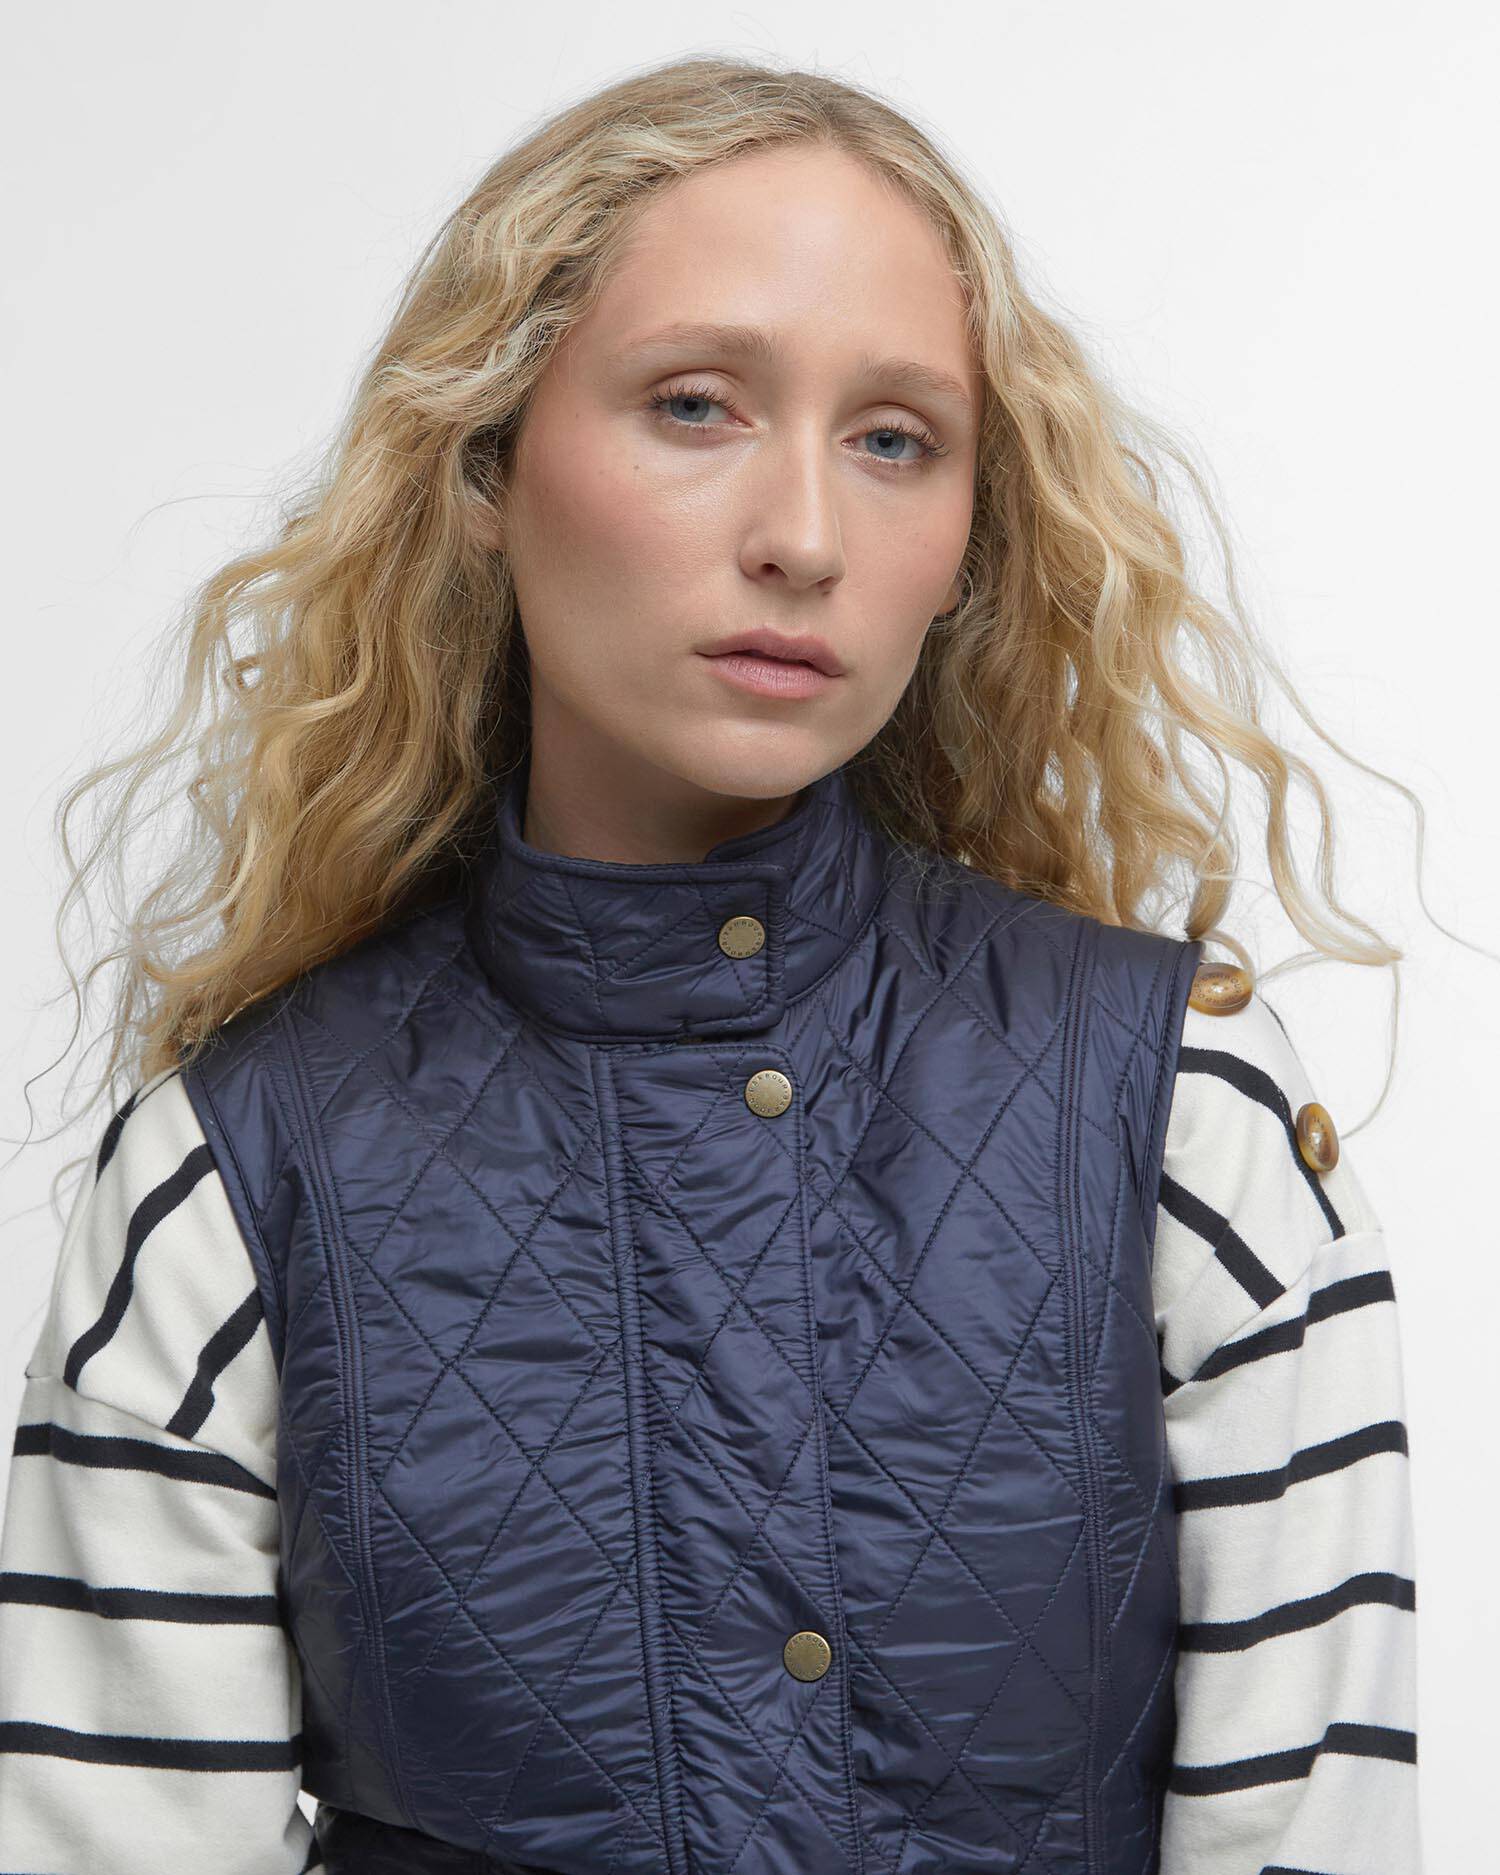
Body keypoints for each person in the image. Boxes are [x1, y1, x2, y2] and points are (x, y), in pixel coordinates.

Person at [0, 54, 1423, 1875]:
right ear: (485, 467)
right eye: (695, 406)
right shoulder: (233, 1178)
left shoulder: (1185, 1120)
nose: (805, 537)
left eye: (895, 440)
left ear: (967, 544)